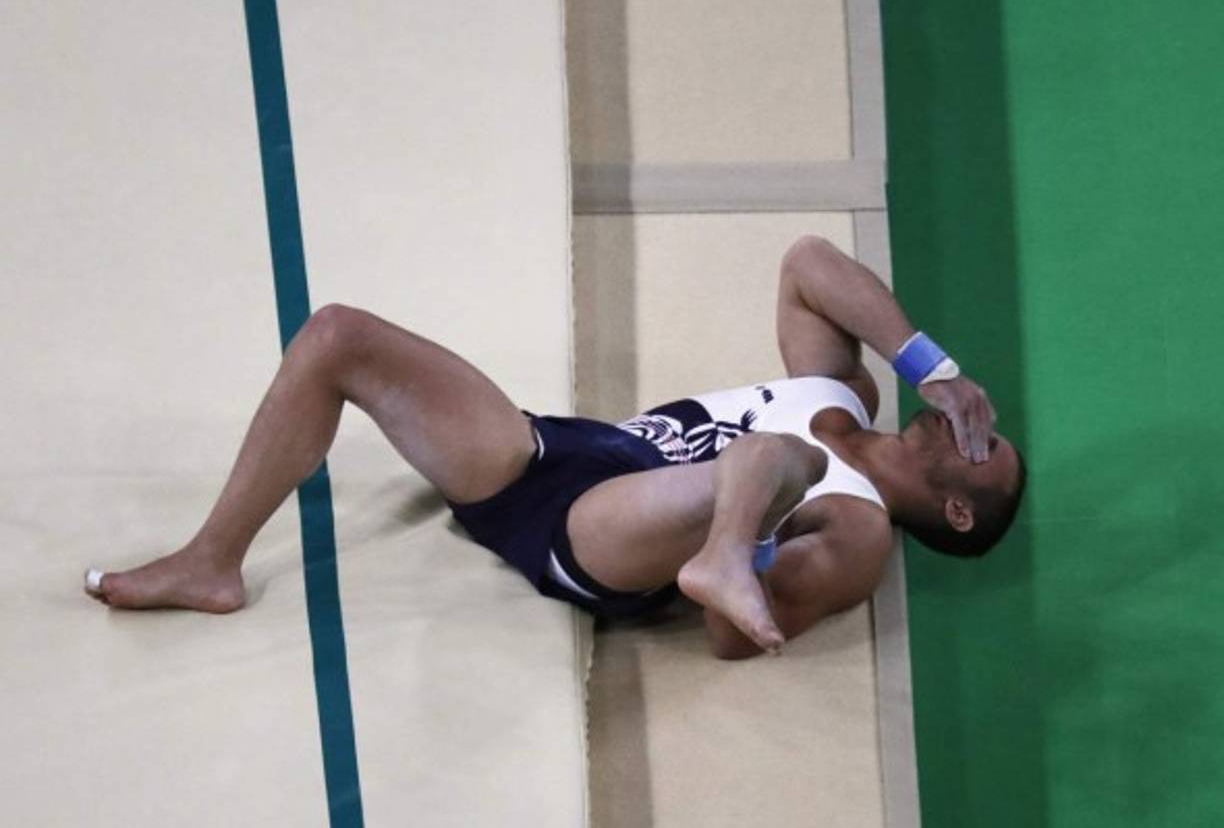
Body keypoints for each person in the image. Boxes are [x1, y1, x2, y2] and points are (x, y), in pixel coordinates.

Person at [84, 235, 1025, 659]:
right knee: (338, 335)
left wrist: (748, 541)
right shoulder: (848, 390)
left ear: (954, 508)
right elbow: (808, 264)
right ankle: (211, 564)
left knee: (785, 465)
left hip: (612, 537)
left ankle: (722, 548)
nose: (970, 422)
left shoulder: (860, 538)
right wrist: (931, 363)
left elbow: (737, 642)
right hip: (552, 456)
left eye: (985, 447)